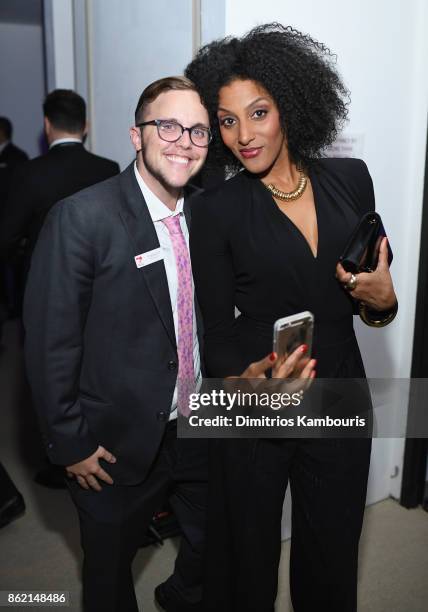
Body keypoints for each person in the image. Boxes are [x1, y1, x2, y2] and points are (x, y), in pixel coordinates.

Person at [185, 24, 397, 612]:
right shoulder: (216, 210)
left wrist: (382, 303)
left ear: (291, 104)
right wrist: (249, 376)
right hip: (257, 392)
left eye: (258, 112)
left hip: (339, 388)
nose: (244, 135)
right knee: (244, 555)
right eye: (227, 120)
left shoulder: (352, 180)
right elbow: (214, 331)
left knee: (332, 548)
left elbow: (373, 297)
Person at [23, 76, 213, 612]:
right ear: (136, 135)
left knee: (216, 540)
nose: (183, 141)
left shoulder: (206, 212)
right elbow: (49, 343)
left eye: (197, 131)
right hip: (113, 442)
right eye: (168, 125)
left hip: (198, 424)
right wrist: (69, 442)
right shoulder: (81, 217)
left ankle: (180, 594)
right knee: (108, 576)